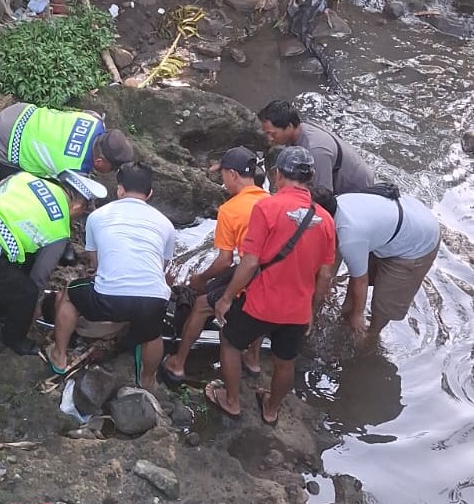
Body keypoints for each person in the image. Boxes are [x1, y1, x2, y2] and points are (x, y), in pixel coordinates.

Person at [209, 146, 336, 426]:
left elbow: (251, 261)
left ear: (277, 174)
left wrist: (227, 297)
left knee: (230, 342)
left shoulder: (267, 207)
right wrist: (312, 309)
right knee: (284, 362)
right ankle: (271, 409)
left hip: (260, 302)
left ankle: (231, 401)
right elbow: (325, 275)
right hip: (297, 309)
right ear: (311, 177)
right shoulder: (326, 220)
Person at [0, 170, 106, 355]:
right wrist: (31, 310)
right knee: (26, 293)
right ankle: (13, 338)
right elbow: (39, 276)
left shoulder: (25, 178)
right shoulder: (59, 229)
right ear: (77, 205)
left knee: (15, 265)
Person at [49, 162, 177, 389]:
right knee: (152, 334)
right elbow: (161, 267)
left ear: (119, 190)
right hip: (153, 298)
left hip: (108, 298)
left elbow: (96, 262)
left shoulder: (97, 216)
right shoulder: (166, 224)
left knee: (70, 293)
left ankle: (59, 355)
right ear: (149, 193)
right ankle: (147, 380)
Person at [159, 147, 270, 386]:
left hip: (252, 273)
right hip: (271, 274)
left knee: (201, 305)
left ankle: (178, 364)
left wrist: (201, 278)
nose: (223, 182)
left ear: (232, 175)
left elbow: (224, 261)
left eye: (223, 176)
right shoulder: (270, 201)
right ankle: (253, 358)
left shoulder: (230, 210)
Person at [310, 185, 440, 344]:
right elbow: (332, 265)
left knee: (384, 303)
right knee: (357, 269)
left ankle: (370, 337)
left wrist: (358, 317)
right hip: (401, 220)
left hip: (418, 243)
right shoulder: (336, 203)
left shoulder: (351, 236)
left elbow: (361, 280)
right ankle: (347, 313)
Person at [0, 102, 134, 178]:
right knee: (28, 184)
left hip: (19, 110)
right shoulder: (74, 170)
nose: (112, 172)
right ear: (99, 162)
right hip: (1, 142)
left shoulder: (93, 119)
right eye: (112, 168)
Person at [257, 100, 374, 194]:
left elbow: (323, 195)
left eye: (272, 134)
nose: (270, 138)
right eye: (267, 133)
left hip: (356, 190)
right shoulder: (298, 132)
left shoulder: (315, 151)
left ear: (289, 126)